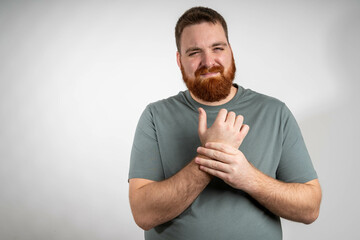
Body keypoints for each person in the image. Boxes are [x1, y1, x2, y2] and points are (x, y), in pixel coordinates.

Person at [128, 6, 322, 240]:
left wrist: (248, 177)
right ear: (180, 60)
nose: (208, 62)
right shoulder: (155, 116)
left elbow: (310, 208)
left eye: (217, 48)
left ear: (230, 51)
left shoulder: (275, 112)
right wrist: (212, 158)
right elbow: (143, 214)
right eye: (194, 52)